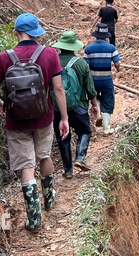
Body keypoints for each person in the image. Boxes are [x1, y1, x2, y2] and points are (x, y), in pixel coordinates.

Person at [0, 13, 69, 233]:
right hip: (44, 118)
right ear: (37, 33)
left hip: (16, 122)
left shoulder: (4, 57)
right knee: (44, 155)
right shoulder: (50, 54)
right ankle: (49, 198)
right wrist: (64, 118)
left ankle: (34, 219)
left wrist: (0, 103)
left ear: (16, 32)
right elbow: (59, 89)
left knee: (26, 166)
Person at [51, 30, 100, 178]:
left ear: (60, 46)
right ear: (74, 47)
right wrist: (94, 104)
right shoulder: (81, 64)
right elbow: (89, 87)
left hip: (58, 108)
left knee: (62, 137)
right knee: (85, 131)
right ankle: (80, 157)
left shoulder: (53, 62)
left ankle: (68, 170)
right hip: (79, 106)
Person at [84, 23, 121, 135]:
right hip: (106, 80)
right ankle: (106, 129)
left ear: (96, 35)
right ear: (106, 36)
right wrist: (117, 69)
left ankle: (98, 113)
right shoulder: (111, 48)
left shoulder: (88, 49)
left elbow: (86, 66)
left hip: (93, 81)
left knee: (96, 97)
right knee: (108, 101)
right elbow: (117, 63)